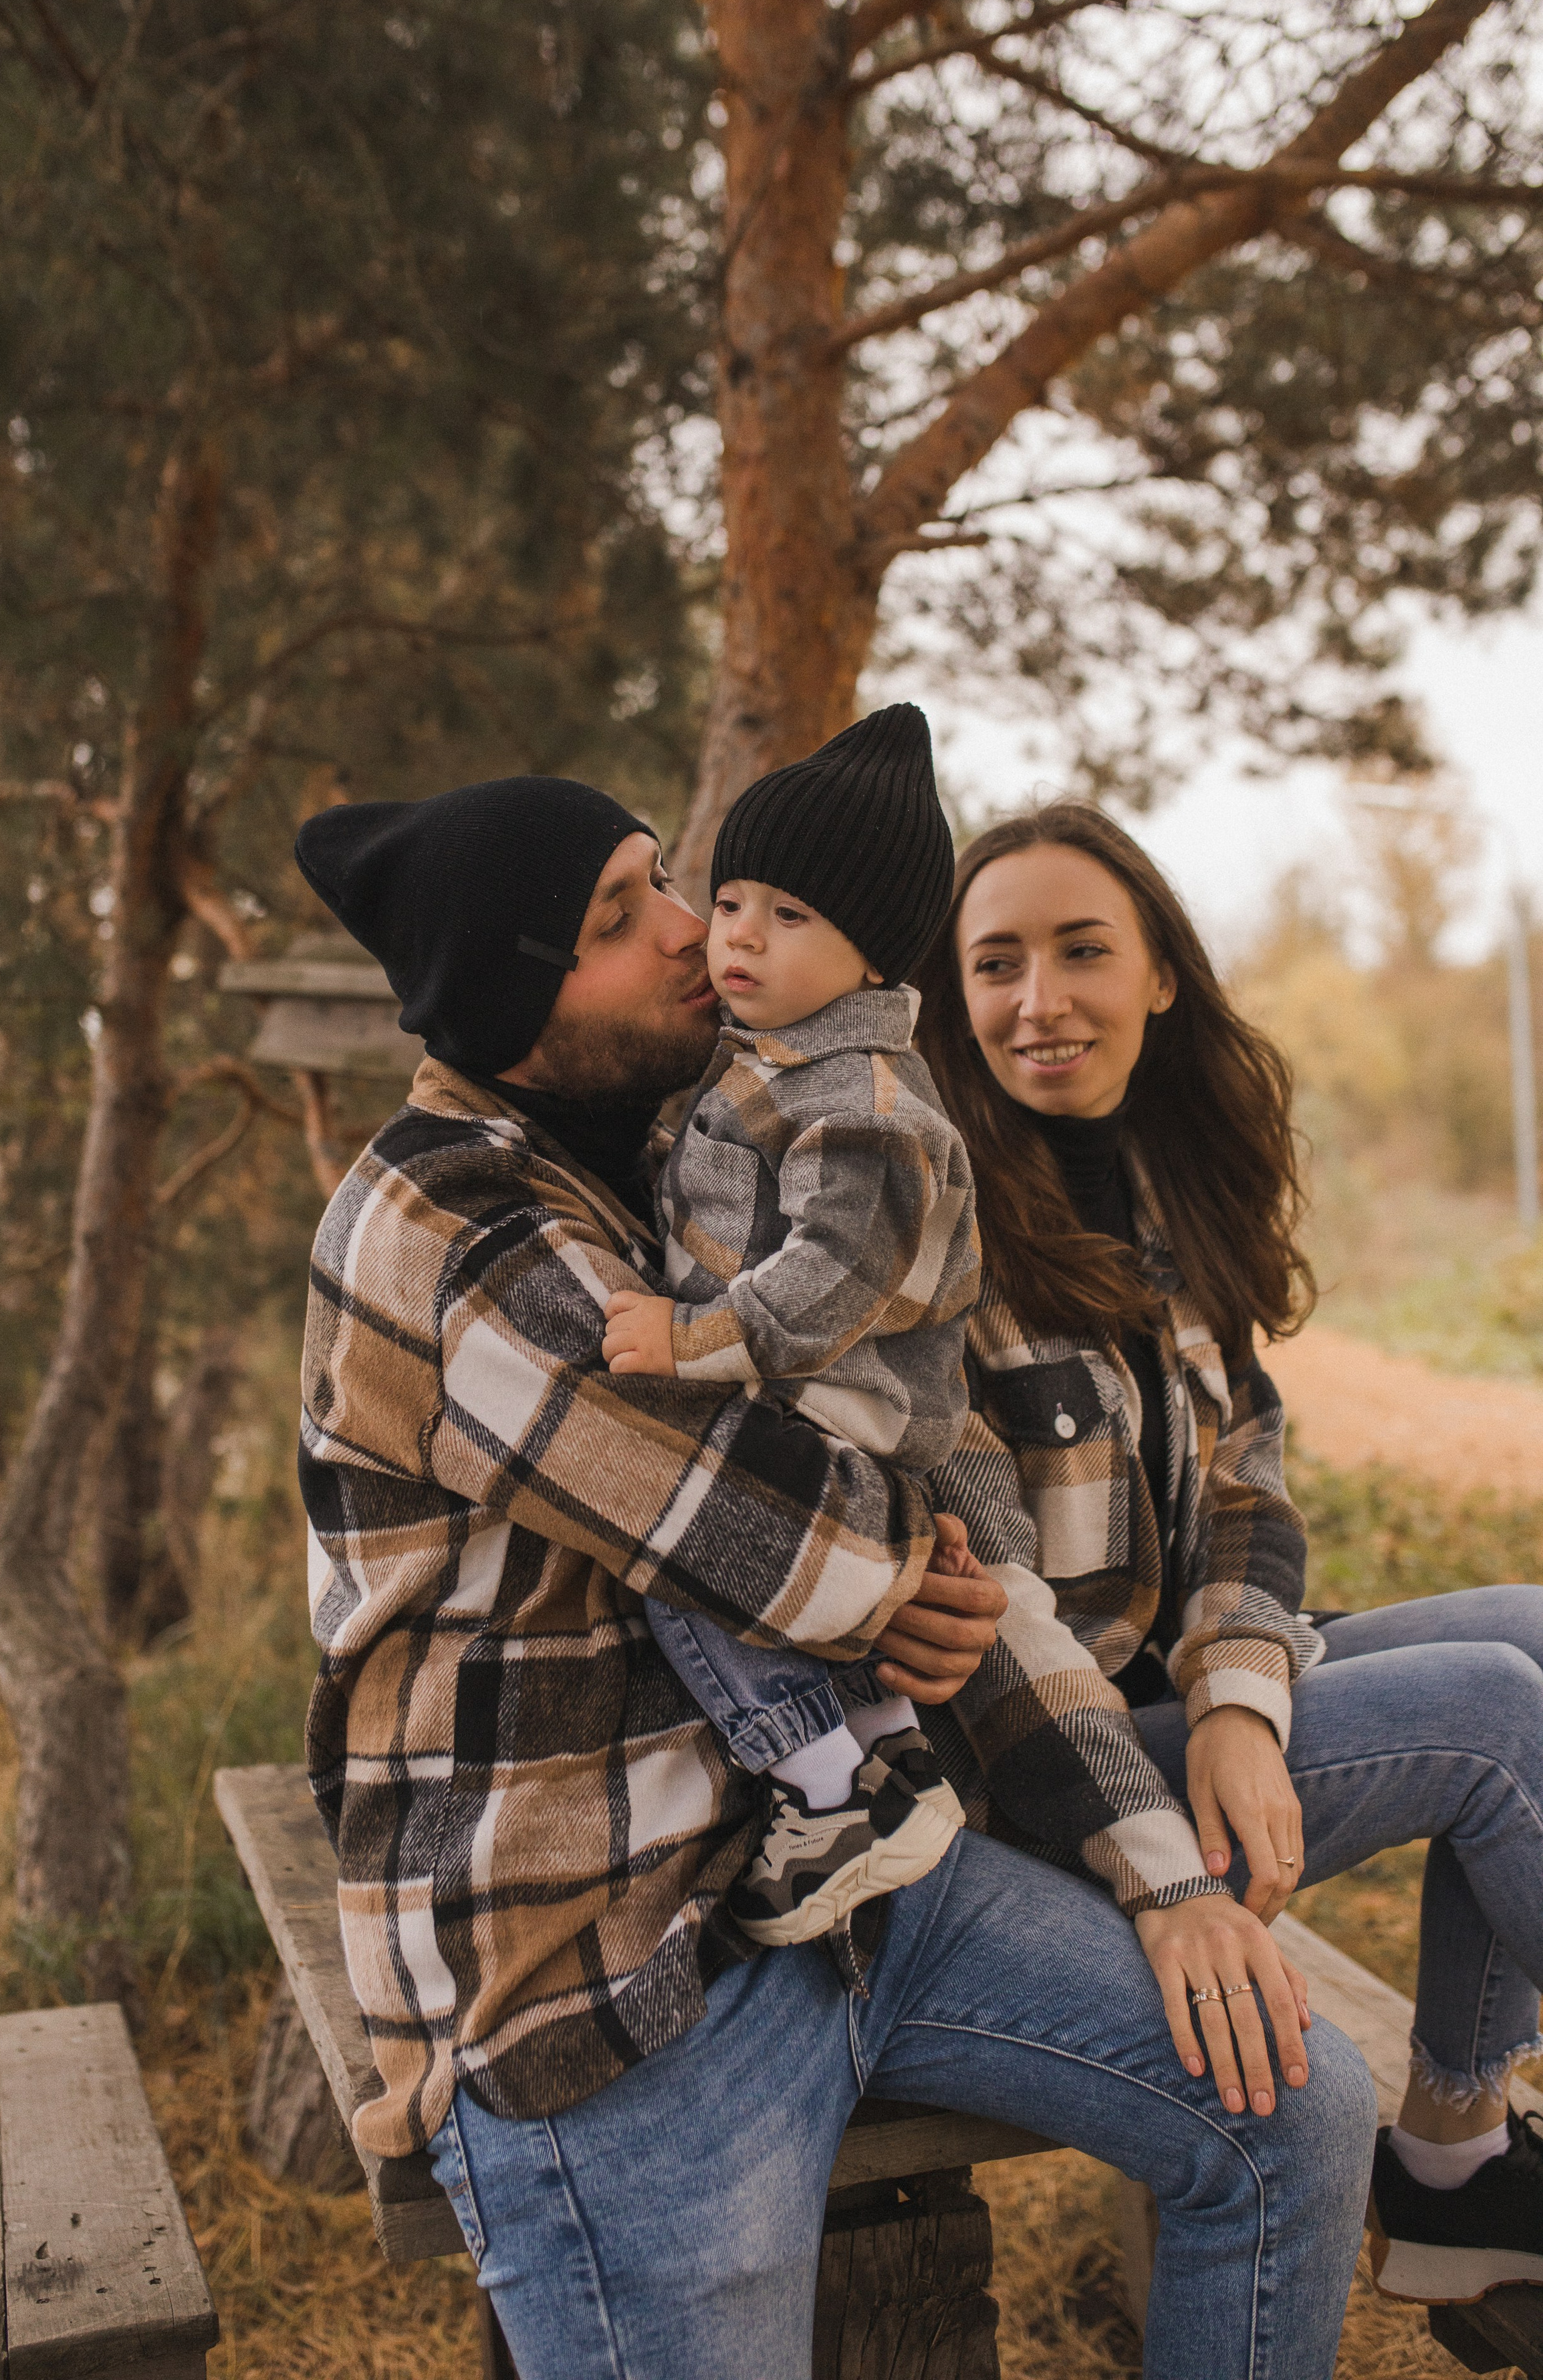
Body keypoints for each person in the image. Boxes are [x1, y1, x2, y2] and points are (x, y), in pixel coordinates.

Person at [290, 768, 1375, 2380]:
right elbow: (830, 1549)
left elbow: (942, 1519)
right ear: (513, 997)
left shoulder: (670, 1146)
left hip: (846, 1874)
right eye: (621, 920)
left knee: (1293, 2109)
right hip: (603, 1966)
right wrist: (902, 1556)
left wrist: (1153, 1870)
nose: (692, 935)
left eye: (673, 881)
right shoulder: (452, 1236)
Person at [914, 796, 1543, 2313]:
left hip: (1167, 1715)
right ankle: (1449, 2171)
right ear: (953, 1001)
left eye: (1079, 952)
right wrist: (1201, 1734)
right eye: (993, 965)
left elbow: (1246, 1483)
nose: (1036, 1000)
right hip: (1028, 1791)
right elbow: (994, 1613)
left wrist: (1238, 1697)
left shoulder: (1158, 1191)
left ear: (1159, 978)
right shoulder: (926, 1229)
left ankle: (1453, 2141)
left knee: (1531, 1626)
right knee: (1492, 1715)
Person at [601, 707, 980, 1950]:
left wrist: (691, 1342)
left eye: (792, 916)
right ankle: (885, 1762)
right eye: (733, 900)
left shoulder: (865, 1102)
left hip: (852, 1388)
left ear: (875, 959)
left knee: (683, 1539)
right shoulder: (764, 1055)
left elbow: (827, 1283)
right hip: (794, 1367)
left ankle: (818, 1790)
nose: (741, 936)